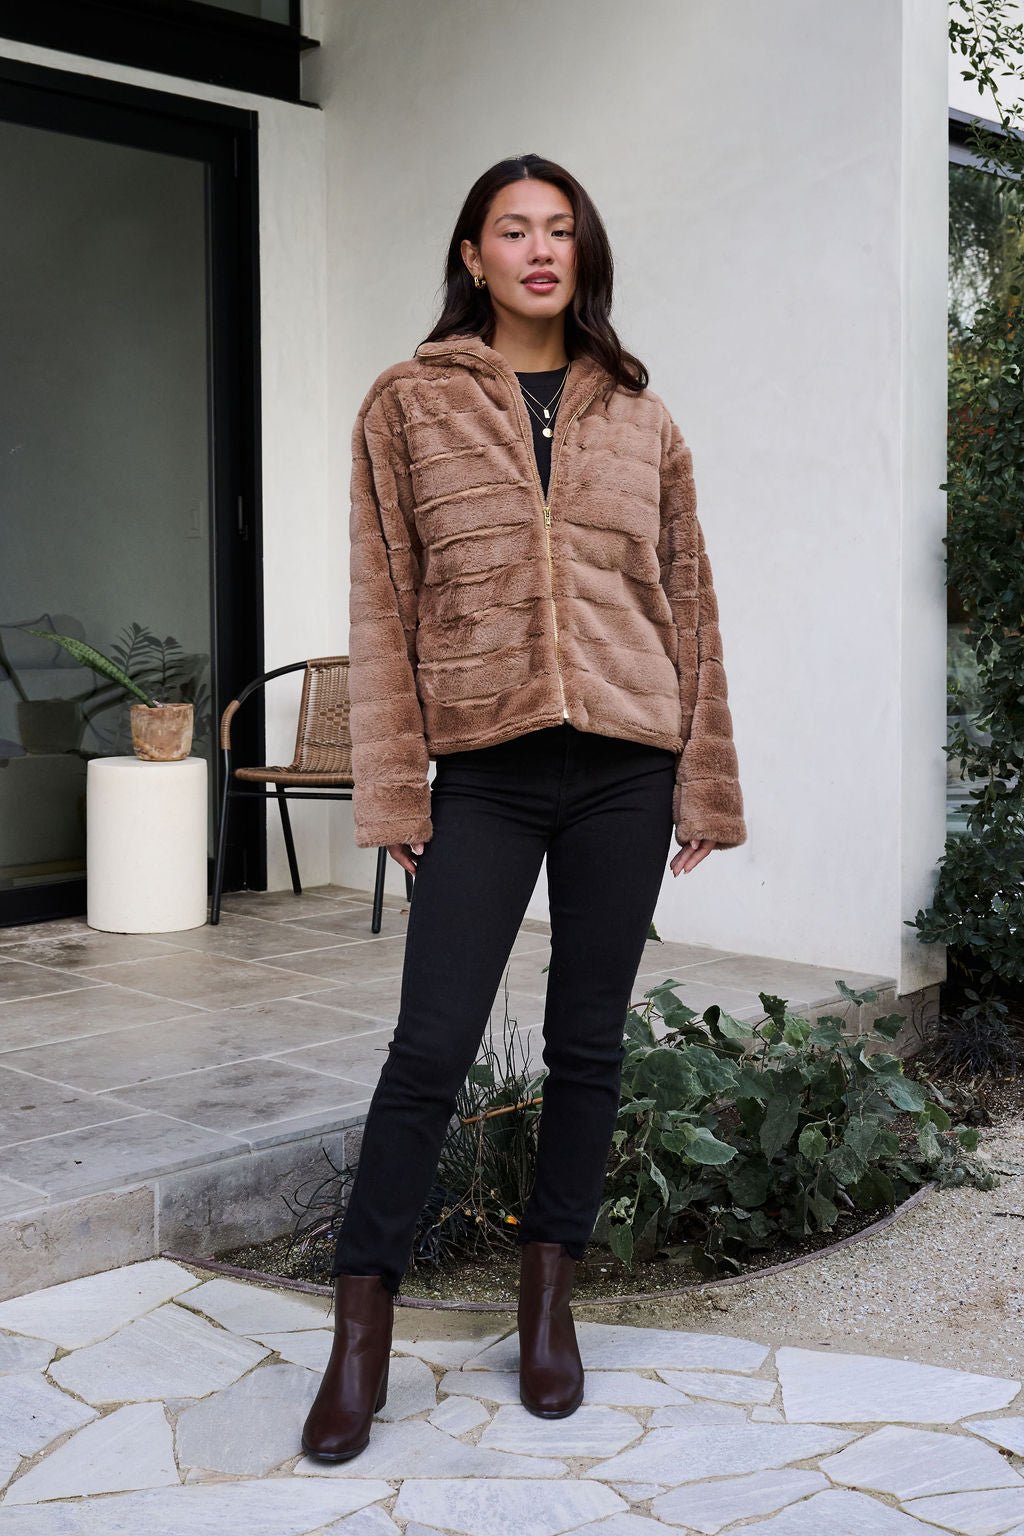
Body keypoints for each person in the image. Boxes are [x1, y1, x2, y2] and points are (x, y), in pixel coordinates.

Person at [301, 153, 747, 1462]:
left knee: (588, 1051)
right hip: (485, 775)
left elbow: (692, 605)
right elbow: (381, 604)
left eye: (561, 231)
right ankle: (360, 1331)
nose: (540, 249)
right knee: (428, 1051)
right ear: (475, 255)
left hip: (624, 768)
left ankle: (550, 1299)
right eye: (515, 230)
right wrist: (392, 787)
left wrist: (705, 776)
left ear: (581, 257)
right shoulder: (406, 405)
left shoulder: (641, 416)